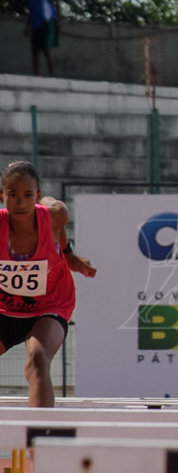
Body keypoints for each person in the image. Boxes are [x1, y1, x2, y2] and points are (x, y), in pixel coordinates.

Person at [0, 161, 97, 407]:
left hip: (49, 305)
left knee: (38, 359)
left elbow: (58, 225)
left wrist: (68, 253)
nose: (21, 203)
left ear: (38, 196)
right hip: (5, 309)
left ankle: (40, 435)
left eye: (28, 195)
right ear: (2, 197)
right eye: (12, 195)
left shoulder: (55, 214)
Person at [15, 0, 60, 77]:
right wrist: (27, 26)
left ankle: (52, 77)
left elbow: (56, 0)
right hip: (36, 24)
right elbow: (31, 8)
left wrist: (59, 20)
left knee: (46, 51)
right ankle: (36, 76)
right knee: (35, 51)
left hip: (47, 21)